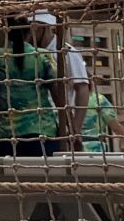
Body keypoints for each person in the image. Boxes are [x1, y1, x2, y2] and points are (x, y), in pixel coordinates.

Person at [0, 20, 64, 156]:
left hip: (8, 132)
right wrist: (68, 126)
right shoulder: (42, 56)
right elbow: (58, 95)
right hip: (43, 129)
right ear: (29, 33)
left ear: (6, 33)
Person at [33, 10, 88, 149]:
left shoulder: (67, 52)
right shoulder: (30, 53)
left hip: (60, 123)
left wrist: (75, 128)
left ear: (44, 28)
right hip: (36, 123)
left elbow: (82, 88)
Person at [79, 87, 122, 153]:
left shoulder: (70, 100)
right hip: (97, 147)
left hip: (75, 147)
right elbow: (115, 127)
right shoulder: (99, 99)